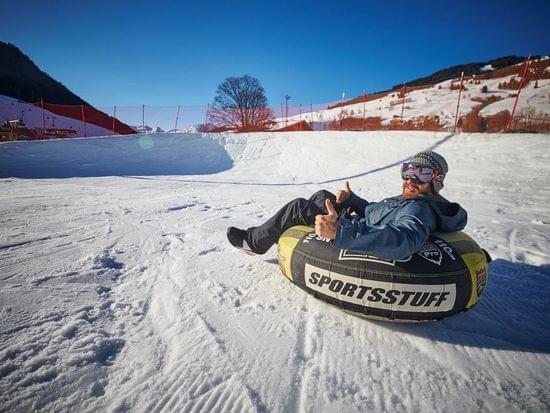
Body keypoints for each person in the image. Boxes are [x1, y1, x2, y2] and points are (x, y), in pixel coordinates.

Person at [226, 151, 467, 260]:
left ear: (436, 180)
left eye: (421, 174)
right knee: (323, 195)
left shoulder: (419, 209)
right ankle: (291, 233)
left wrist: (340, 230)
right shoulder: (415, 200)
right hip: (358, 221)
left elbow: (402, 240)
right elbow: (378, 213)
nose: (411, 180)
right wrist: (352, 200)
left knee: (299, 206)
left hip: (353, 229)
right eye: (408, 171)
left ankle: (254, 242)